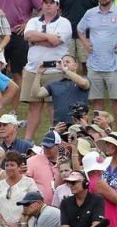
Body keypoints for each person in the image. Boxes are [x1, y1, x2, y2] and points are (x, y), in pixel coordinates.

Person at [21, 0, 71, 139]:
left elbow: (56, 43)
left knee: (54, 108)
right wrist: (48, 37)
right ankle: (27, 141)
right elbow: (27, 36)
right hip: (33, 69)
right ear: (42, 5)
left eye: (52, 2)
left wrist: (36, 40)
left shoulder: (64, 23)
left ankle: (57, 139)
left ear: (57, 5)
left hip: (55, 70)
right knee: (33, 107)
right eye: (46, 2)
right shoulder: (33, 21)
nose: (48, 5)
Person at [76, 0, 117, 115]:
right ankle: (101, 132)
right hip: (94, 66)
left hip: (114, 66)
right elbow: (80, 29)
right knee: (97, 102)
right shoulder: (90, 13)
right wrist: (85, 43)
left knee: (116, 102)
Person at [32, 55, 89, 128]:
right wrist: (38, 74)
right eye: (62, 62)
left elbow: (83, 83)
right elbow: (36, 93)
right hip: (60, 125)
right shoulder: (54, 84)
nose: (64, 64)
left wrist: (66, 70)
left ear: (76, 65)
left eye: (67, 62)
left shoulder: (83, 79)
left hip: (79, 124)